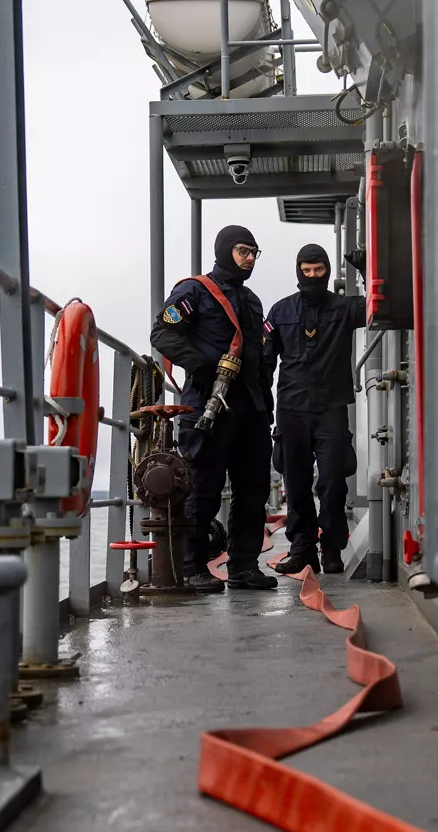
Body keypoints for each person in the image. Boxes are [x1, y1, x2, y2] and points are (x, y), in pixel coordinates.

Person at [150, 225, 279, 593]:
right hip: (208, 405)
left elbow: (261, 358)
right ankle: (193, 567)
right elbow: (162, 333)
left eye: (254, 252)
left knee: (253, 490)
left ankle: (243, 565)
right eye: (242, 251)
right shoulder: (194, 292)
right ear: (224, 251)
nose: (249, 258)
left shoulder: (253, 302)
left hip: (251, 410)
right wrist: (203, 366)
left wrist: (264, 401)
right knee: (202, 487)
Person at [263, 243, 365, 575]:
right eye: (305, 271)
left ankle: (332, 547)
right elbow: (264, 364)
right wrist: (262, 408)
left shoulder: (346, 308)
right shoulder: (280, 312)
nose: (311, 276)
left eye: (317, 271)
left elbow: (380, 304)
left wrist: (365, 269)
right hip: (291, 410)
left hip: (332, 409)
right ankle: (303, 549)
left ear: (327, 271)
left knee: (334, 481)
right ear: (298, 271)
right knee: (295, 482)